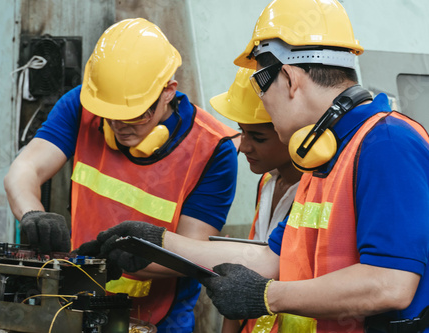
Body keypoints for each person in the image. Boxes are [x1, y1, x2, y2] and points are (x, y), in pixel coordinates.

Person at [80, 1, 429, 332]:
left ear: (290, 79)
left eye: (261, 91)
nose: (263, 106)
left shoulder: (386, 142)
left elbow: (390, 283)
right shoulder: (321, 157)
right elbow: (272, 259)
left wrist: (268, 296)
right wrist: (156, 243)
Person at [4, 18, 240, 332]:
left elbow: (190, 253)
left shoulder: (213, 150)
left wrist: (121, 256)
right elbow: (24, 169)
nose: (119, 126)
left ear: (168, 91)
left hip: (158, 320)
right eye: (110, 116)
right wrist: (32, 213)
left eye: (135, 115)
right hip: (75, 305)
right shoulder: (83, 105)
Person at [210, 67, 301, 333]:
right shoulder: (266, 184)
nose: (244, 146)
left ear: (291, 132)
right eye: (243, 132)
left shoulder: (316, 191)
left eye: (258, 137)